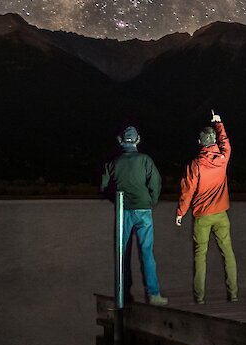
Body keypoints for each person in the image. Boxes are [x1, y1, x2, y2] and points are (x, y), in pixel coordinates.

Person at [100, 125, 168, 306]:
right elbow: (156, 181)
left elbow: (104, 187)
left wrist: (116, 199)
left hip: (124, 211)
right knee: (147, 252)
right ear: (137, 140)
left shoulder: (113, 162)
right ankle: (153, 295)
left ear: (121, 141)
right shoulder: (145, 160)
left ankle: (123, 295)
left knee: (122, 254)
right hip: (144, 210)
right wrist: (151, 200)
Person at [175, 110, 238, 304]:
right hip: (221, 215)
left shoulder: (195, 165)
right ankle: (233, 295)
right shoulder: (223, 158)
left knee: (200, 256)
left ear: (200, 142)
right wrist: (218, 122)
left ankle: (200, 298)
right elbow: (225, 142)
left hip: (202, 216)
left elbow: (187, 192)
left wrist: (180, 213)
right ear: (214, 142)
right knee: (228, 252)